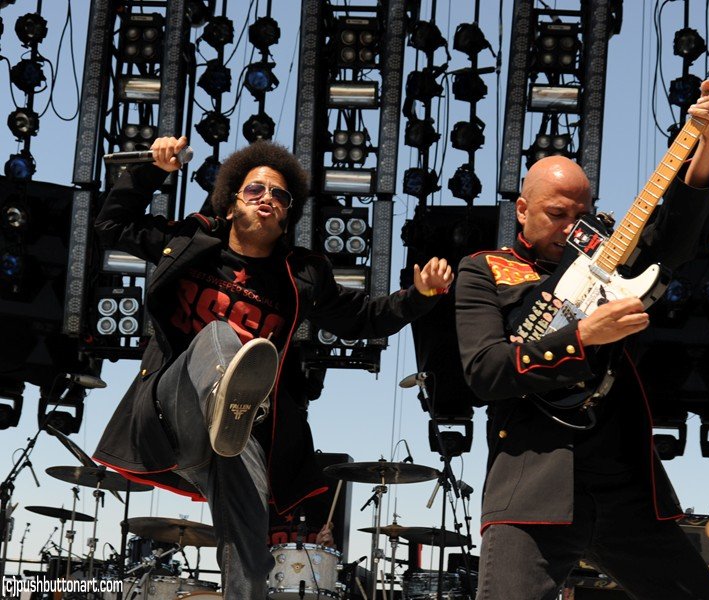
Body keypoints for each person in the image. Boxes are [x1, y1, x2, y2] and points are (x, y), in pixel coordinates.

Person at [92, 136, 454, 599]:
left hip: (238, 431)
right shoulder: (188, 241)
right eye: (255, 190)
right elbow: (110, 225)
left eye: (279, 195)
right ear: (230, 204)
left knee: (250, 550)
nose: (267, 198)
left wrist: (419, 297)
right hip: (174, 409)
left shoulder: (301, 274)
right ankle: (227, 395)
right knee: (218, 336)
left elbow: (362, 318)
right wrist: (151, 170)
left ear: (287, 214)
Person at [454, 79, 709, 600]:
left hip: (624, 482)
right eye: (555, 215)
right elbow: (486, 373)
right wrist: (582, 336)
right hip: (532, 484)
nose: (570, 228)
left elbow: (673, 242)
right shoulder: (484, 270)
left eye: (579, 215)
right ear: (522, 209)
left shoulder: (608, 253)